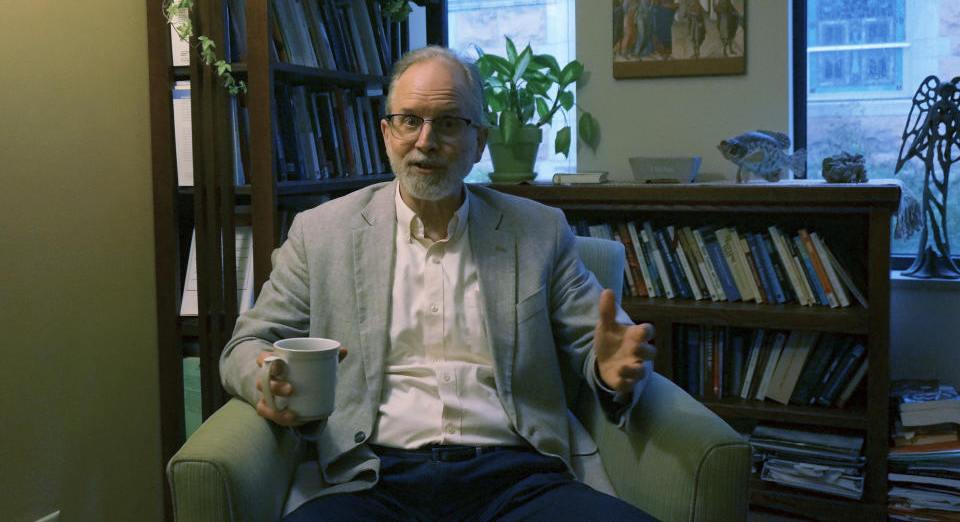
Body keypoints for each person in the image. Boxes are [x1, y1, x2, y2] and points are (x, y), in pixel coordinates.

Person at [220, 46, 658, 521]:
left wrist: (612, 371)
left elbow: (599, 343)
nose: (425, 141)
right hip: (371, 479)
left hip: (519, 478)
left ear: (480, 142)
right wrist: (267, 375)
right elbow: (246, 345)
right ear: (386, 132)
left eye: (449, 123)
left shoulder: (539, 231)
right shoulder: (321, 233)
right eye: (409, 120)